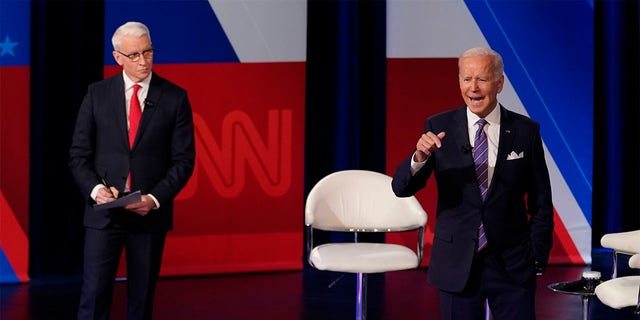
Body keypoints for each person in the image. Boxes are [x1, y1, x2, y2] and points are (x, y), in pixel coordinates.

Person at [391, 47, 554, 320]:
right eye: (467, 79)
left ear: (499, 83)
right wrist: (419, 157)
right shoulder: (438, 125)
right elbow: (401, 188)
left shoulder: (526, 131)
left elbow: (541, 201)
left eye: (482, 79)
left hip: (512, 265)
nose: (473, 88)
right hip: (456, 264)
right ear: (459, 82)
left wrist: (536, 256)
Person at [68, 21, 195, 320]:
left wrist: (152, 199)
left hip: (148, 216)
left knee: (141, 301)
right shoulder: (97, 94)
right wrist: (98, 191)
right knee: (94, 296)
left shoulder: (175, 98)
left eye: (148, 52)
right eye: (134, 55)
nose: (143, 61)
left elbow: (184, 161)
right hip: (105, 214)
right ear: (118, 57)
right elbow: (78, 156)